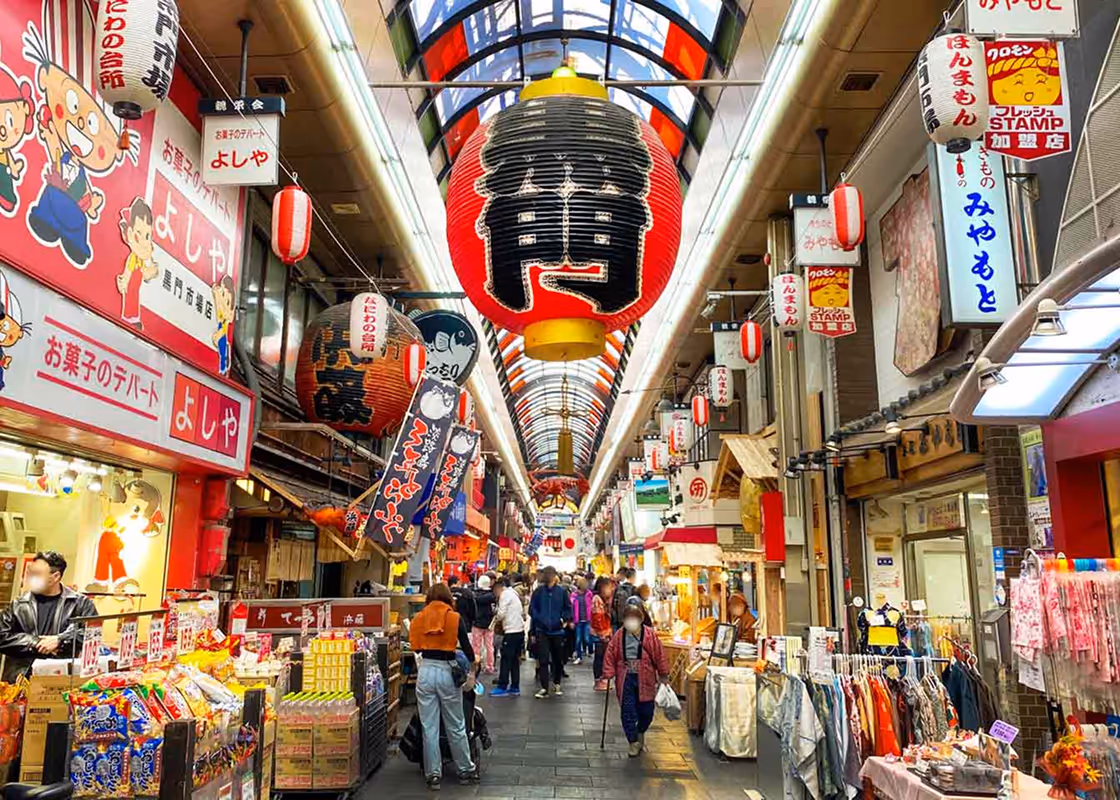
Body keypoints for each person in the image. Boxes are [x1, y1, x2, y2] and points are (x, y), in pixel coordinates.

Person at [408, 583, 479, 791]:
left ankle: (433, 775)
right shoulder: (454, 618)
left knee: (429, 726)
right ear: (448, 597)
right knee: (455, 724)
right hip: (447, 671)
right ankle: (465, 769)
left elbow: (416, 647)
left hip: (426, 671)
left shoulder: (419, 618)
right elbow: (467, 648)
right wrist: (473, 666)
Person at [0, 551, 97, 682]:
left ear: (55, 577)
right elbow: (2, 635)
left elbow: (92, 634)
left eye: (37, 574)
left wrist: (60, 640)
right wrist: (35, 642)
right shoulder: (19, 604)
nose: (31, 578)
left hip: (60, 680)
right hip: (20, 679)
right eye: (30, 573)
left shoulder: (80, 604)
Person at [602, 598, 670, 757]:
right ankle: (633, 741)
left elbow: (659, 655)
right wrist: (608, 672)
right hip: (625, 676)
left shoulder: (650, 635)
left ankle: (640, 731)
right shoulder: (619, 635)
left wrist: (663, 674)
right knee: (627, 710)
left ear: (641, 618)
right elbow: (611, 653)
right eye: (628, 618)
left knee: (646, 711)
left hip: (645, 676)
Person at [528, 566, 572, 698]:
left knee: (558, 659)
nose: (546, 576)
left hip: (557, 631)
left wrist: (563, 619)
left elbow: (567, 608)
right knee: (543, 659)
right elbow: (532, 609)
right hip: (542, 630)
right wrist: (538, 620)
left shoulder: (562, 592)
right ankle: (544, 687)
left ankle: (557, 682)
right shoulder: (538, 592)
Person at [490, 578, 525, 697]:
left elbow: (501, 614)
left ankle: (502, 686)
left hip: (511, 631)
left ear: (498, 588)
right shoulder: (514, 594)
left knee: (506, 659)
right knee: (515, 660)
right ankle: (515, 686)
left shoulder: (505, 595)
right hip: (519, 630)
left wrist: (495, 614)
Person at [590, 576, 614, 691]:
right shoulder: (597, 600)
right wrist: (602, 634)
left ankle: (602, 680)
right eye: (609, 588)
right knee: (600, 657)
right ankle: (599, 681)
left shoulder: (603, 600)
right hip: (600, 634)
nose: (611, 590)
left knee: (603, 657)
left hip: (604, 633)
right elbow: (597, 618)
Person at [470, 575, 497, 675]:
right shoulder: (492, 596)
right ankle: (490, 666)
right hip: (489, 624)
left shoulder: (474, 595)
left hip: (477, 623)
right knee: (489, 646)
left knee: (476, 646)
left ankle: (475, 665)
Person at [570, 577, 594, 664]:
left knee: (587, 639)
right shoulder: (574, 595)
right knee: (578, 640)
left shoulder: (589, 594)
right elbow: (571, 609)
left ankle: (590, 649)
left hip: (587, 620)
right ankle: (579, 656)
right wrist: (572, 620)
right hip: (578, 621)